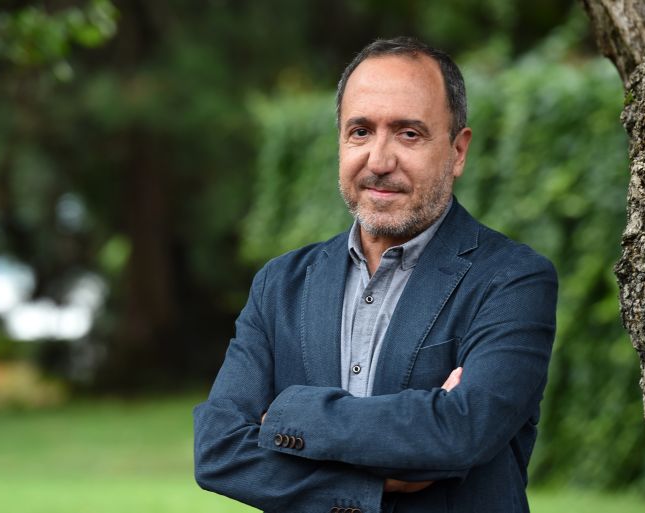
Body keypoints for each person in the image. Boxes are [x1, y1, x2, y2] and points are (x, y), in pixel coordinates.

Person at [193, 36, 557, 513]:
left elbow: (460, 432)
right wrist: (372, 485)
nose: (380, 162)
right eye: (360, 131)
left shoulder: (512, 280)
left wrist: (289, 415)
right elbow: (218, 451)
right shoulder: (280, 284)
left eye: (409, 134)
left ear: (458, 151)